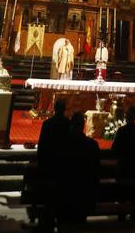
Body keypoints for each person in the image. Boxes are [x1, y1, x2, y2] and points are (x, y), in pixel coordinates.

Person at [37, 99, 70, 231]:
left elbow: (42, 145)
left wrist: (41, 162)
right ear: (64, 109)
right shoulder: (68, 123)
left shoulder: (47, 123)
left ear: (55, 109)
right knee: (60, 191)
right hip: (63, 162)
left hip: (50, 162)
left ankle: (47, 218)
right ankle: (60, 215)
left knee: (49, 192)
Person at [62, 111, 100, 223]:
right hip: (86, 194)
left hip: (67, 193)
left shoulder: (65, 144)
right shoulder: (92, 145)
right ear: (83, 126)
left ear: (71, 125)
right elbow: (96, 168)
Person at [111, 104, 135, 222]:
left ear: (126, 117)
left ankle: (121, 218)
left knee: (122, 196)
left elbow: (114, 148)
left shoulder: (121, 130)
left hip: (123, 169)